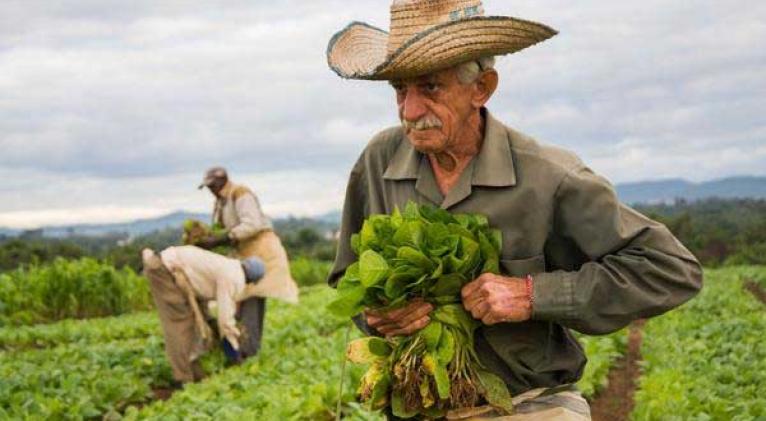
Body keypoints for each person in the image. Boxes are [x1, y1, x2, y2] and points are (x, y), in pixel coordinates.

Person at [325, 1, 703, 419]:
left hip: (529, 405)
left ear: (482, 88)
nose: (410, 111)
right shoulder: (379, 160)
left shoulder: (548, 176)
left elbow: (670, 268)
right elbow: (348, 278)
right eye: (400, 89)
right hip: (417, 409)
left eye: (430, 88)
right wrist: (379, 313)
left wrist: (532, 295)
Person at [141, 246, 296, 384]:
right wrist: (233, 345)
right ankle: (183, 377)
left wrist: (214, 326)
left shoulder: (231, 266)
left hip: (176, 267)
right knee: (180, 323)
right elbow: (225, 319)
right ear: (250, 279)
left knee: (198, 321)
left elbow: (205, 299)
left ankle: (194, 368)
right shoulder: (234, 278)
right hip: (164, 269)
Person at [195, 166, 298, 358]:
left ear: (222, 181)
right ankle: (242, 346)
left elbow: (252, 224)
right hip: (244, 253)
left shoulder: (240, 193)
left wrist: (221, 238)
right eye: (208, 187)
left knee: (250, 296)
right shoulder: (221, 202)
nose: (211, 190)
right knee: (240, 297)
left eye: (213, 186)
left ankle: (248, 349)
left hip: (261, 251)